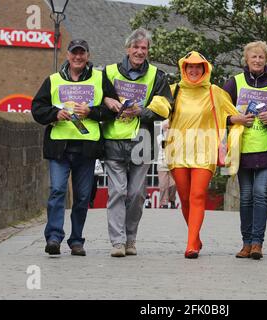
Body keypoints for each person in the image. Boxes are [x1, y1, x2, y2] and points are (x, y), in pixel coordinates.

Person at [31, 39, 119, 256]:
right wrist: (54, 113)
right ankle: (53, 237)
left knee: (81, 196)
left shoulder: (100, 79)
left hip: (87, 149)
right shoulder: (52, 80)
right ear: (68, 55)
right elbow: (37, 108)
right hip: (59, 147)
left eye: (82, 53)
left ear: (87, 56)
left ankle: (76, 240)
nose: (78, 57)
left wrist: (91, 112)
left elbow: (113, 110)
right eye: (74, 53)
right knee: (58, 190)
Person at [166, 51, 248, 259]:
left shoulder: (215, 92)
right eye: (190, 67)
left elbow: (228, 115)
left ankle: (191, 244)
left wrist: (241, 120)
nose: (194, 70)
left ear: (205, 69)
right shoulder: (173, 91)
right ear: (184, 69)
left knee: (197, 196)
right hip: (178, 152)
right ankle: (195, 236)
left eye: (198, 67)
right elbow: (159, 108)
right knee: (184, 198)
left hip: (205, 151)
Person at [101, 28, 172, 257]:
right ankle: (117, 242)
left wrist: (141, 112)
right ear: (127, 49)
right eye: (136, 47)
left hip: (143, 140)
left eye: (144, 48)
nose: (140, 52)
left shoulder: (157, 75)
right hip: (114, 139)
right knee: (117, 192)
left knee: (136, 194)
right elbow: (96, 100)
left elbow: (164, 108)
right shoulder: (109, 72)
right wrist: (108, 102)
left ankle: (131, 239)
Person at [223, 41, 267, 260]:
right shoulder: (235, 82)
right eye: (253, 57)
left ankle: (258, 243)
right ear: (246, 60)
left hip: (266, 148)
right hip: (242, 148)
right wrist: (235, 118)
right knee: (246, 197)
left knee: (260, 194)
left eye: (261, 57)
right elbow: (219, 110)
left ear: (266, 59)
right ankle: (246, 243)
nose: (257, 60)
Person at [157, 119, 177, 209]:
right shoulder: (159, 137)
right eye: (167, 127)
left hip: (173, 163)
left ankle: (172, 200)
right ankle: (164, 202)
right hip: (162, 163)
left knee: (173, 185)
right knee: (163, 185)